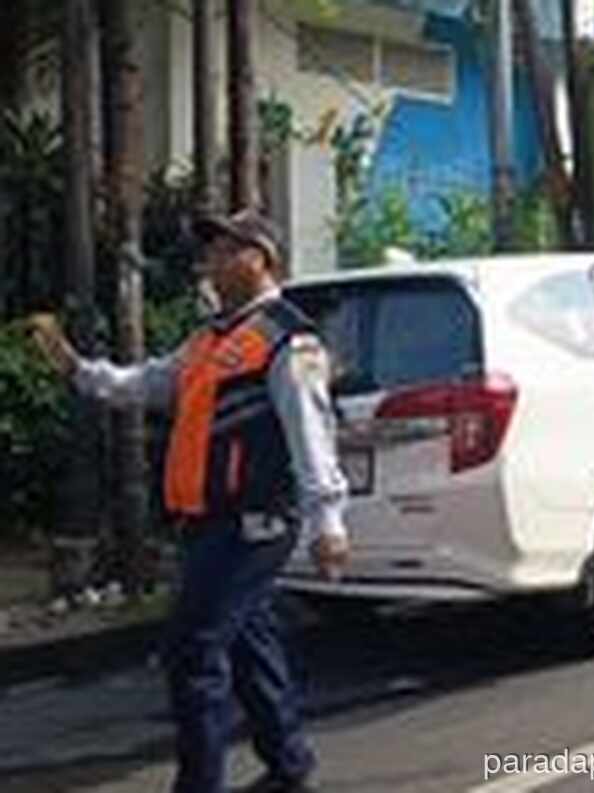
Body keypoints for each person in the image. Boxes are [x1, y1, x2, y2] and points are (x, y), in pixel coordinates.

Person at [28, 208, 350, 793]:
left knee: (191, 651)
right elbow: (150, 382)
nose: (211, 262)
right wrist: (80, 371)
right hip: (208, 522)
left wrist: (328, 520)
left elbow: (312, 430)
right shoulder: (210, 338)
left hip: (255, 524)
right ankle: (290, 764)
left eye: (225, 251)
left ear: (260, 259)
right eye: (211, 252)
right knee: (250, 645)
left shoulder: (286, 339)